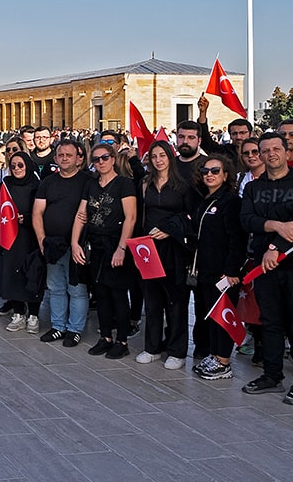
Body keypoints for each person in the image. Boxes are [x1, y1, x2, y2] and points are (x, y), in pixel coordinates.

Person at [240, 131, 293, 405]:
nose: (271, 154)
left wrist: (274, 248)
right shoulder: (253, 187)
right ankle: (272, 375)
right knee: (270, 323)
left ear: (287, 152)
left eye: (276, 148)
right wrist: (276, 226)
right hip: (265, 268)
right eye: (265, 150)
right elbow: (247, 220)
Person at [73, 142, 138, 359]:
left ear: (113, 159)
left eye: (105, 158)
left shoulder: (124, 184)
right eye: (96, 159)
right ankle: (106, 337)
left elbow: (131, 217)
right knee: (100, 292)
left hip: (116, 242)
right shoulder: (91, 184)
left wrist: (122, 248)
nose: (101, 162)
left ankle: (122, 340)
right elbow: (81, 214)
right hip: (96, 244)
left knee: (117, 294)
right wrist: (75, 243)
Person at [137, 140, 196, 370]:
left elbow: (190, 217)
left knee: (176, 301)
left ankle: (177, 350)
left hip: (174, 250)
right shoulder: (145, 184)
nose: (158, 160)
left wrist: (169, 229)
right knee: (152, 301)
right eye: (154, 156)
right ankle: (152, 347)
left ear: (170, 157)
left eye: (162, 155)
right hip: (148, 250)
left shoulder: (183, 186)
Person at [189, 154, 246, 380]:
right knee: (209, 315)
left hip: (222, 272)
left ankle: (223, 361)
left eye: (215, 171)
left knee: (223, 315)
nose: (209, 175)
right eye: (205, 171)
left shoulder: (231, 201)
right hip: (204, 269)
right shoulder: (205, 200)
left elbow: (237, 239)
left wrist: (232, 270)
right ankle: (214, 355)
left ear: (225, 175)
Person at [34, 139, 92, 346]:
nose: (64, 158)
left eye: (69, 155)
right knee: (55, 287)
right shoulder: (47, 182)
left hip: (76, 246)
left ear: (79, 158)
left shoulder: (88, 181)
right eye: (61, 155)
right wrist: (41, 240)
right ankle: (58, 327)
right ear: (55, 157)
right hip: (52, 246)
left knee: (77, 289)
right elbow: (37, 212)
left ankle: (74, 330)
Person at [0, 152, 44, 334]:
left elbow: (42, 211)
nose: (17, 169)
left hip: (30, 238)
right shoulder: (6, 185)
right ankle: (18, 313)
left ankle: (33, 314)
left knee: (32, 274)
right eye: (13, 165)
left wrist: (29, 220)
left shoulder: (37, 185)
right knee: (12, 275)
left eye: (20, 165)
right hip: (10, 238)